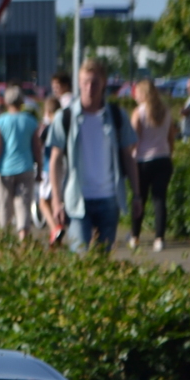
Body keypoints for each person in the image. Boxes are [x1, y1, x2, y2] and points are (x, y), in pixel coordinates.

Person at [47, 58, 141, 253]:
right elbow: (55, 160)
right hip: (77, 201)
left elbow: (128, 157)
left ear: (104, 83)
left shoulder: (116, 116)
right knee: (81, 258)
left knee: (102, 263)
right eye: (85, 83)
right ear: (79, 84)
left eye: (95, 82)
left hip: (109, 199)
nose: (90, 88)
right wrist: (56, 201)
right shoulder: (66, 117)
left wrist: (137, 195)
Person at [0, 86, 42, 241]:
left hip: (5, 169)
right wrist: (38, 169)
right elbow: (36, 148)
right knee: (23, 205)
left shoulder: (0, 121)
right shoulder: (31, 121)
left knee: (4, 205)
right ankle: (23, 238)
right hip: (25, 167)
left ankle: (4, 238)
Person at [129, 79, 175, 253]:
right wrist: (169, 152)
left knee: (139, 198)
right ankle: (159, 238)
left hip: (143, 161)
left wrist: (129, 157)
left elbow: (134, 139)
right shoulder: (166, 111)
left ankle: (135, 236)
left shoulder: (139, 112)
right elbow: (171, 137)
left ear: (142, 94)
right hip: (163, 158)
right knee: (160, 200)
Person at [36, 97, 62, 244]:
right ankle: (59, 229)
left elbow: (39, 146)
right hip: (63, 169)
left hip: (48, 168)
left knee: (43, 202)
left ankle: (54, 228)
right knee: (56, 201)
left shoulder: (48, 128)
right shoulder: (64, 125)